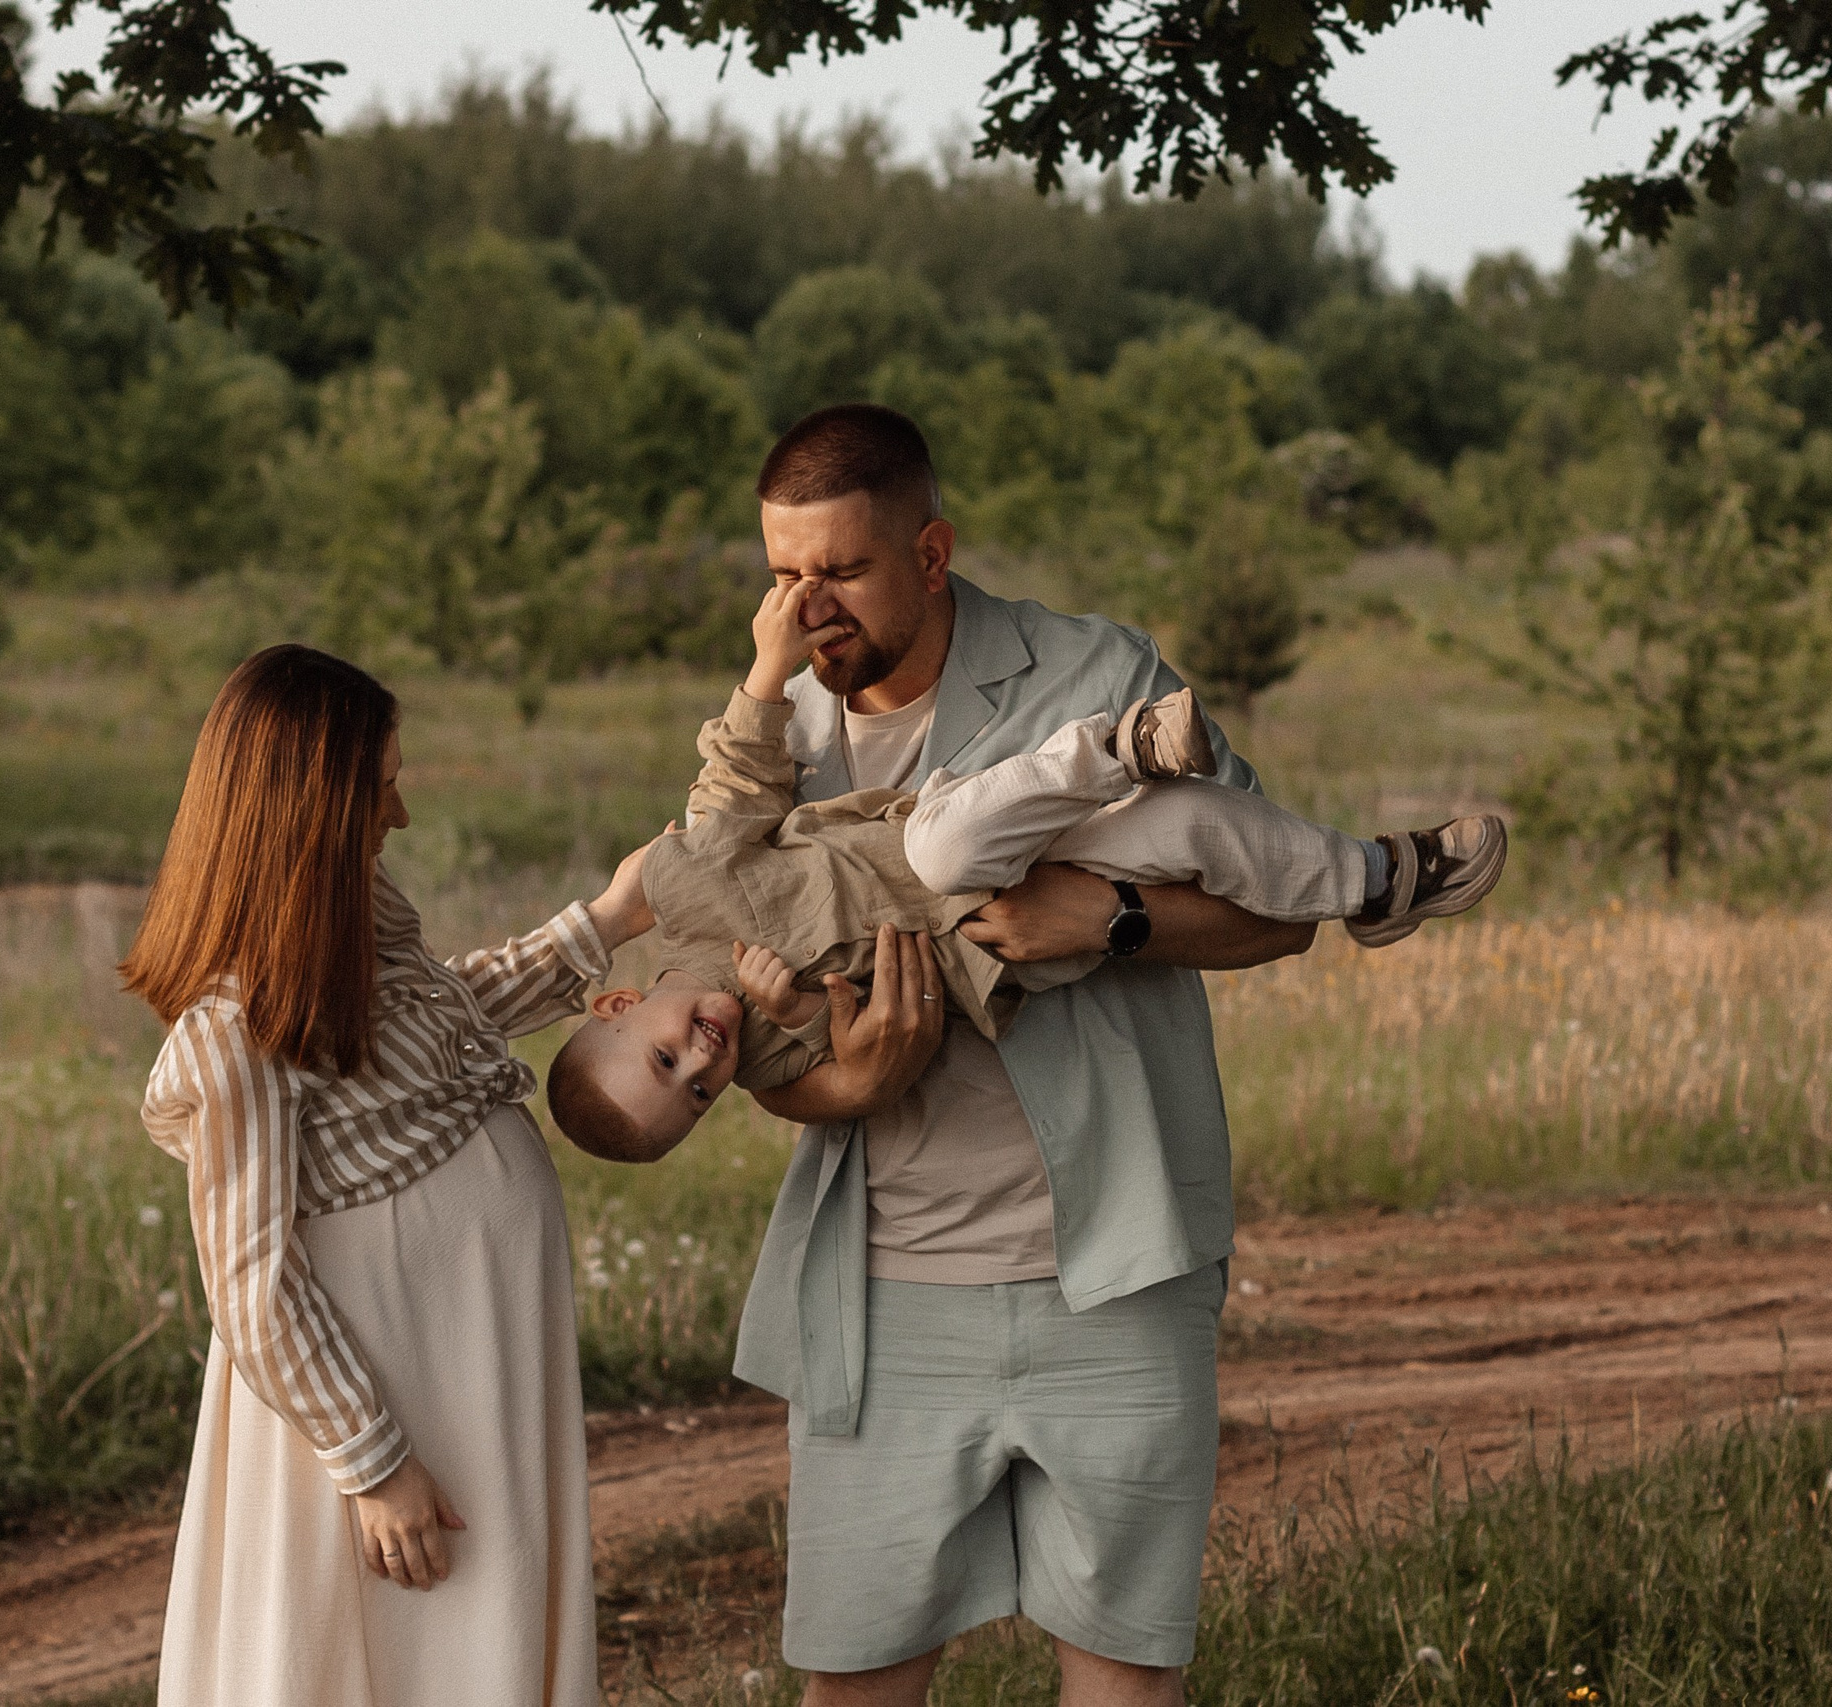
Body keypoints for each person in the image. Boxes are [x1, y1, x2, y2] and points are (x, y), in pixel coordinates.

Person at [707, 404, 1378, 1707]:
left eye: (839, 571)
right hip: (882, 1296)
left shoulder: (1099, 674)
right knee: (852, 1686)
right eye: (784, 575)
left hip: (1117, 1271)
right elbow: (749, 1043)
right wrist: (854, 1080)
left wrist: (1111, 919)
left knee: (1125, 1680)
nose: (808, 609)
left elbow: (1282, 912)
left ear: (933, 552)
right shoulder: (766, 738)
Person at [119, 643, 656, 1707]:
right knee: (385, 1644)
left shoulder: (357, 930)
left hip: (465, 1354)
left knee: (480, 1619)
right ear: (310, 811)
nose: (399, 815)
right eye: (382, 788)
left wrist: (609, 919)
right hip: (385, 1389)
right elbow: (251, 1282)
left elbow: (443, 1014)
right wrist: (373, 1462)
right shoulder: (234, 1035)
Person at [544, 582, 1506, 1164]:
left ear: (619, 1004)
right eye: (697, 1093)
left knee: (943, 846)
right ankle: (1379, 880)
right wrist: (797, 1006)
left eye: (666, 1058)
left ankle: (1118, 748)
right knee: (1189, 823)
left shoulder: (683, 889)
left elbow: (741, 779)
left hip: (955, 841)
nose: (703, 1061)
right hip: (992, 943)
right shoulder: (765, 1057)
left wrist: (765, 667)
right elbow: (857, 1045)